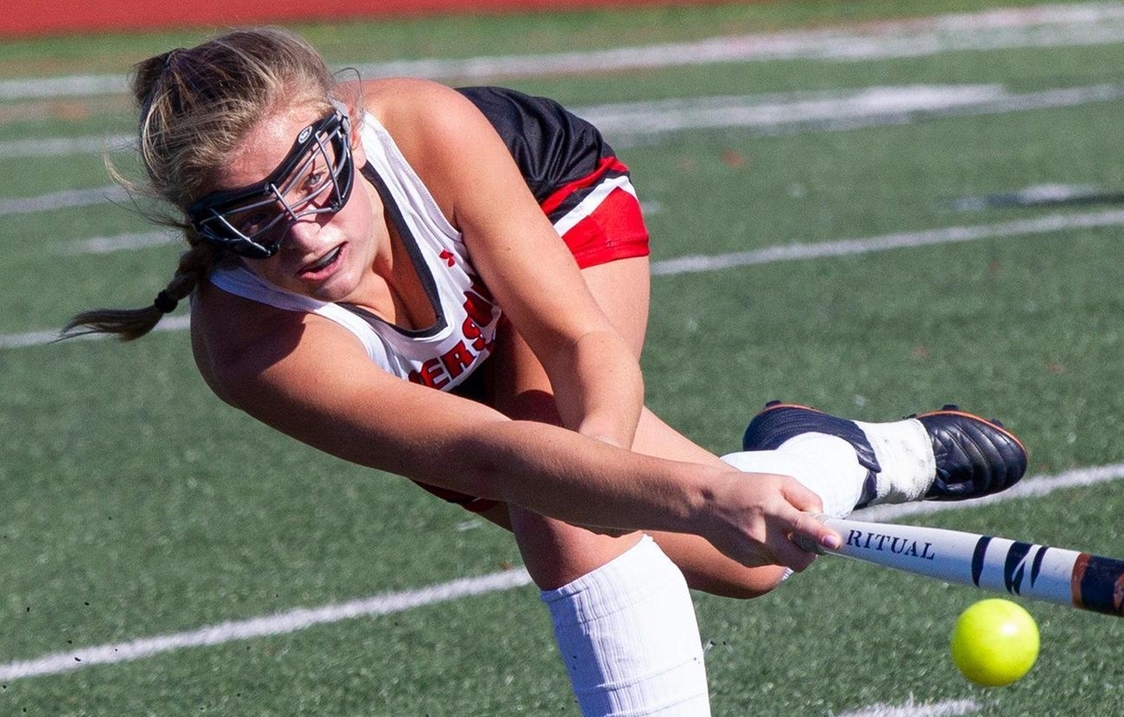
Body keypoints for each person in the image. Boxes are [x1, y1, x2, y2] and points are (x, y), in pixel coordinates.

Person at [66, 27, 1028, 716]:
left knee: (566, 504)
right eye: (253, 223)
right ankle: (840, 452)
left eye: (314, 187)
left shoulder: (425, 128)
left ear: (346, 134)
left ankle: (771, 464)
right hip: (477, 412)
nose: (307, 238)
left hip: (553, 199)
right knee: (750, 569)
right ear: (211, 231)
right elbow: (490, 454)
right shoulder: (249, 348)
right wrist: (636, 490)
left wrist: (597, 476)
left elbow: (578, 345)